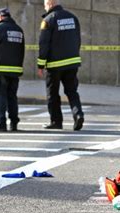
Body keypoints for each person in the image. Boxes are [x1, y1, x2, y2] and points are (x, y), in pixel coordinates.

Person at [37, 0, 84, 131]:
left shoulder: (48, 20)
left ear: (50, 5)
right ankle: (78, 114)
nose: (44, 7)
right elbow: (78, 39)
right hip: (72, 62)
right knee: (72, 91)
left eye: (45, 5)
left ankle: (56, 121)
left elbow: (43, 44)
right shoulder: (73, 17)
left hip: (55, 64)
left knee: (52, 94)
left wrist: (41, 65)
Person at [0, 8, 25, 132]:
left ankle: (1, 122)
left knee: (0, 96)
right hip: (15, 70)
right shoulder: (19, 30)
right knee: (12, 97)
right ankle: (14, 122)